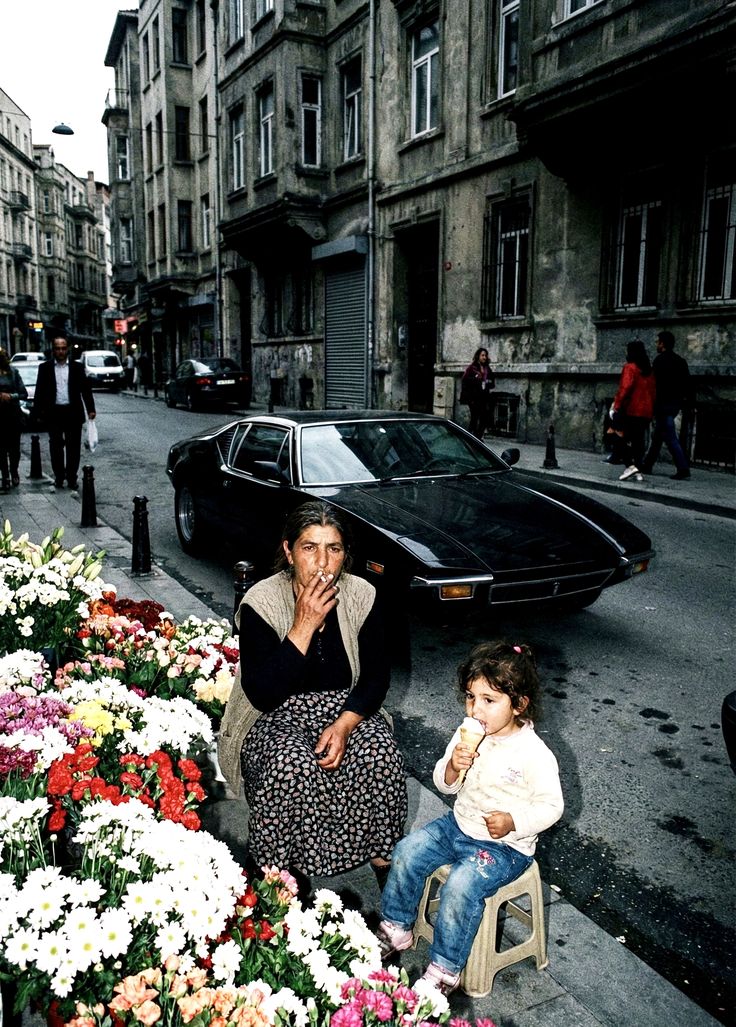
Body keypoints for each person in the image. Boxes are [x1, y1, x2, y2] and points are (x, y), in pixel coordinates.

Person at [219, 500, 407, 886]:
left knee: (381, 755)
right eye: (310, 548)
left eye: (333, 549)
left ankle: (385, 867)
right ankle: (272, 880)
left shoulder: (361, 595)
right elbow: (262, 694)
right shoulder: (262, 602)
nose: (322, 563)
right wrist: (303, 626)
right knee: (291, 766)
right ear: (289, 552)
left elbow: (375, 679)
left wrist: (344, 726)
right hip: (274, 716)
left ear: (344, 555)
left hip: (346, 708)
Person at [376, 641, 563, 995]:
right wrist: (452, 767)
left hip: (505, 847)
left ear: (520, 705)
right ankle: (395, 927)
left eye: (489, 700)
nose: (476, 708)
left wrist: (513, 821)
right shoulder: (468, 734)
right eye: (470, 697)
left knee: (461, 886)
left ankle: (445, 968)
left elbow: (551, 806)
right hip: (458, 825)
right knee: (406, 850)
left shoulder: (534, 754)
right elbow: (443, 784)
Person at [32, 334, 96, 492]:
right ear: (53, 350)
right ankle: (59, 477)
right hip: (54, 413)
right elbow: (39, 391)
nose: (60, 351)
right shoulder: (45, 368)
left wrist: (91, 409)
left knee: (73, 448)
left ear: (67, 349)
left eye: (63, 348)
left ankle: (72, 478)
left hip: (72, 412)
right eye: (57, 348)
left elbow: (85, 390)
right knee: (55, 447)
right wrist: (36, 414)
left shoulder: (77, 367)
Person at [640, 330, 692, 481]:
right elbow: (687, 384)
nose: (656, 344)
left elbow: (654, 386)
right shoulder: (680, 361)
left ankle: (683, 468)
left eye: (657, 342)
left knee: (670, 438)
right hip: (674, 404)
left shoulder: (659, 361)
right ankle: (648, 464)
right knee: (658, 436)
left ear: (662, 344)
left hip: (663, 405)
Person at [609, 339, 656, 482]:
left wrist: (616, 405)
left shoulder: (630, 367)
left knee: (615, 435)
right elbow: (653, 392)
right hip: (646, 411)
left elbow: (625, 388)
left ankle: (630, 465)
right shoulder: (649, 370)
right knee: (638, 441)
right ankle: (637, 470)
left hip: (631, 409)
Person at [0, 348, 28, 489]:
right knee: (1, 448)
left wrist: (11, 396)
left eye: (4, 356)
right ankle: (4, 475)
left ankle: (14, 472)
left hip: (12, 415)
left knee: (14, 448)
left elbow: (23, 393)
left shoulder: (13, 373)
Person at [461, 348, 495, 440]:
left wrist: (488, 382)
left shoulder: (487, 368)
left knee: (484, 418)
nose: (484, 357)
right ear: (478, 356)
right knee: (474, 419)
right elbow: (464, 381)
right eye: (482, 355)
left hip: (484, 397)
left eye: (485, 355)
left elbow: (492, 383)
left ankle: (478, 438)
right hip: (473, 398)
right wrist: (475, 380)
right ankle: (468, 437)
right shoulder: (472, 368)